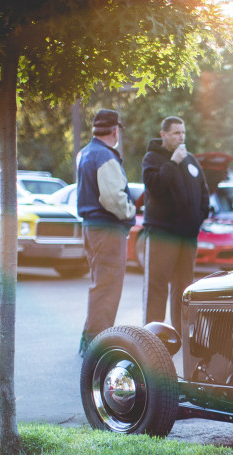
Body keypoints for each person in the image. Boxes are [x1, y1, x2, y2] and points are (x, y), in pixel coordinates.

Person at [141, 116, 210, 331]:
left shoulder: (190, 159)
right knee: (158, 285)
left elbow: (203, 190)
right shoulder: (152, 158)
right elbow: (156, 186)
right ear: (163, 135)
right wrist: (172, 163)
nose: (181, 137)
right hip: (164, 232)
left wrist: (199, 217)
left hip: (188, 234)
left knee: (184, 286)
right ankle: (152, 336)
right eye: (176, 133)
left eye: (183, 133)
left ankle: (180, 333)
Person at [76, 109, 136, 355]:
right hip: (107, 229)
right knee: (108, 288)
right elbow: (113, 198)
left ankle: (89, 340)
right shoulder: (105, 156)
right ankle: (96, 346)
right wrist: (131, 212)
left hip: (92, 228)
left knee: (100, 285)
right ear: (115, 131)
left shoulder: (87, 153)